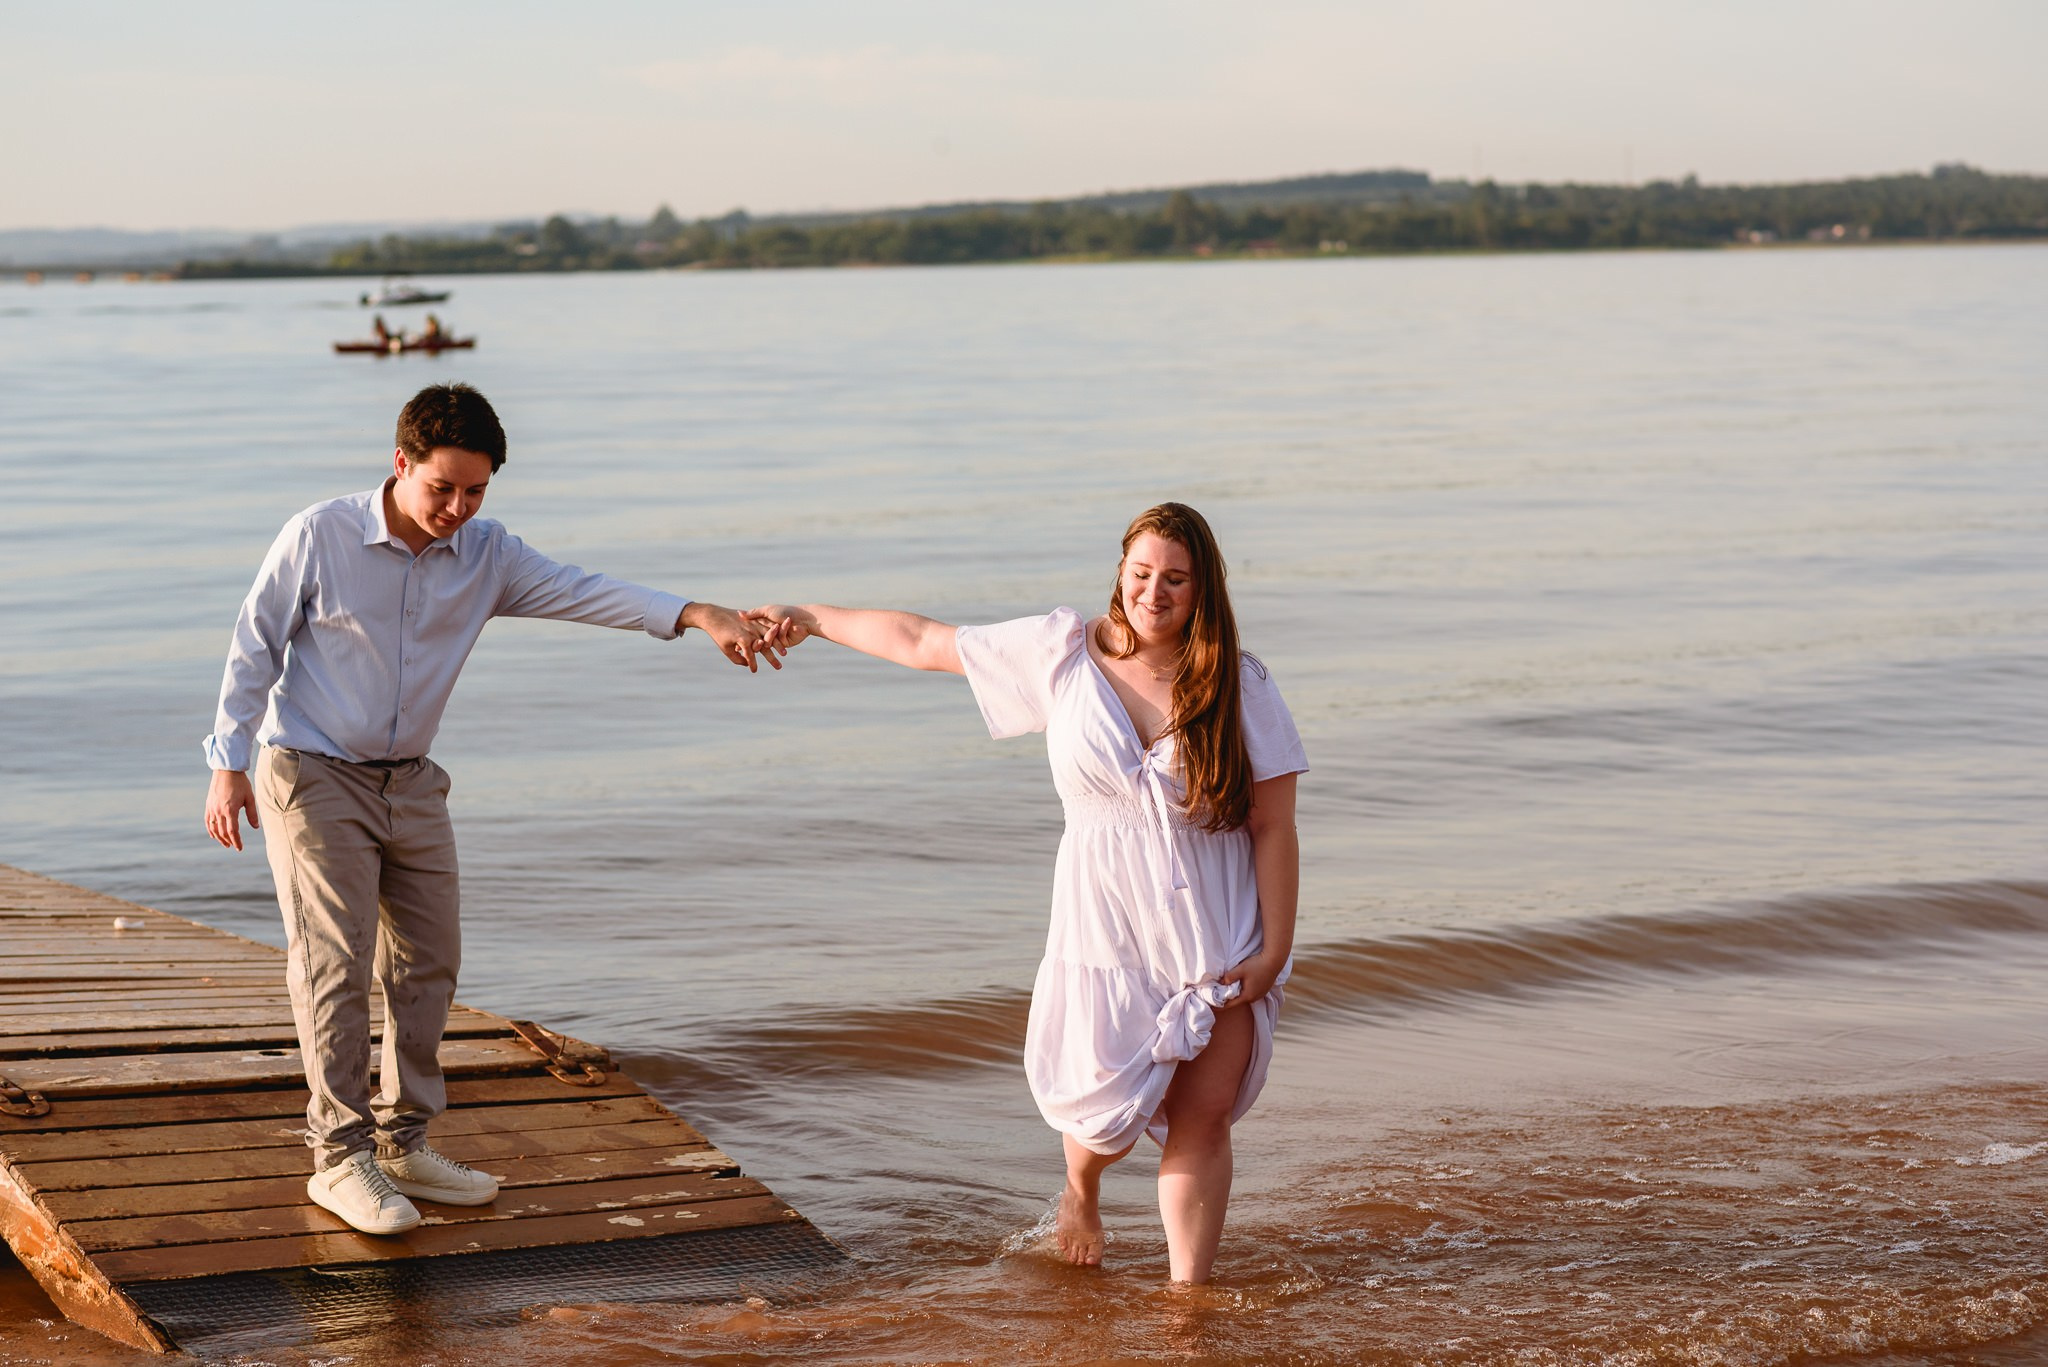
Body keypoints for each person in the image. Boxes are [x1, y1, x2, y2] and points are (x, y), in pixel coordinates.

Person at [203, 382, 776, 1237]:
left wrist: (696, 614)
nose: (458, 508)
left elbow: (586, 589)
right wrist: (227, 761)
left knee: (429, 960)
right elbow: (255, 642)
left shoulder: (488, 552)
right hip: (311, 774)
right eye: (443, 488)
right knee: (335, 963)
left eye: (476, 492)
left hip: (413, 781)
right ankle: (338, 1157)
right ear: (400, 465)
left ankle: (401, 1140)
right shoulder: (319, 534)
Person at [747, 502, 1306, 1283]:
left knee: (1202, 1118)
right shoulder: (1062, 654)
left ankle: (1189, 1296)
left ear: (1203, 586)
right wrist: (808, 617)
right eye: (1142, 573)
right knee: (1095, 1102)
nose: (1154, 592)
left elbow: (1273, 826)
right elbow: (924, 640)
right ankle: (1082, 1188)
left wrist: (1274, 949)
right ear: (1120, 571)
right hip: (1102, 926)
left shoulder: (1239, 685)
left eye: (1175, 578)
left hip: (1214, 932)